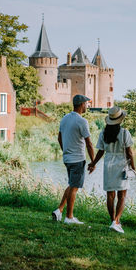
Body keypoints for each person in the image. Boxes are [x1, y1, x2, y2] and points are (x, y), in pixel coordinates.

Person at [88, 106, 135, 233]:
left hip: (108, 164)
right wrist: (133, 167)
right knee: (122, 195)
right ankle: (116, 221)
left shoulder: (104, 133)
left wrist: (93, 163)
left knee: (110, 195)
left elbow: (100, 151)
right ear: (120, 120)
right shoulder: (125, 133)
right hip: (121, 165)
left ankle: (112, 220)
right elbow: (129, 152)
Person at [52, 94, 95, 224]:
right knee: (75, 187)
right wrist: (93, 161)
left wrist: (65, 151)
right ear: (82, 104)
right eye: (87, 103)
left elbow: (59, 138)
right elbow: (89, 143)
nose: (88, 105)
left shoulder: (64, 118)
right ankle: (69, 217)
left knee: (72, 185)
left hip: (67, 158)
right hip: (77, 159)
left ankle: (59, 210)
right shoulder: (82, 121)